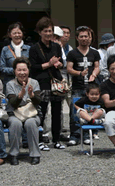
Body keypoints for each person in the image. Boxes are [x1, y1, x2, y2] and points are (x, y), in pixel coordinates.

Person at [29, 17, 65, 150]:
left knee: (57, 113)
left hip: (56, 82)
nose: (48, 34)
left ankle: (56, 139)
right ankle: (39, 140)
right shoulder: (34, 48)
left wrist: (59, 64)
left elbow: (61, 63)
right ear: (39, 32)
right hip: (42, 83)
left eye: (50, 31)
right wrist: (48, 64)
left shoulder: (56, 46)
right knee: (41, 113)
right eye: (45, 31)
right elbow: (33, 67)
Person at [67, 25, 101, 146]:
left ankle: (87, 134)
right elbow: (69, 69)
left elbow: (97, 67)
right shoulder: (72, 53)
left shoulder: (95, 52)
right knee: (74, 111)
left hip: (91, 88)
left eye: (86, 36)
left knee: (89, 111)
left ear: (89, 38)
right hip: (77, 86)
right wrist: (80, 73)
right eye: (81, 36)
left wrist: (94, 74)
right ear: (77, 38)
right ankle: (74, 135)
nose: (84, 38)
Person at [5, 57, 42, 165]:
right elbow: (13, 103)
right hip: (15, 114)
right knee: (15, 123)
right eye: (19, 70)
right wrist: (20, 95)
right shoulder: (10, 84)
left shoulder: (34, 83)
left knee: (31, 123)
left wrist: (32, 95)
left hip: (32, 113)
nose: (22, 73)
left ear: (28, 70)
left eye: (24, 70)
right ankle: (14, 154)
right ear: (14, 71)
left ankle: (35, 154)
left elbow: (38, 102)